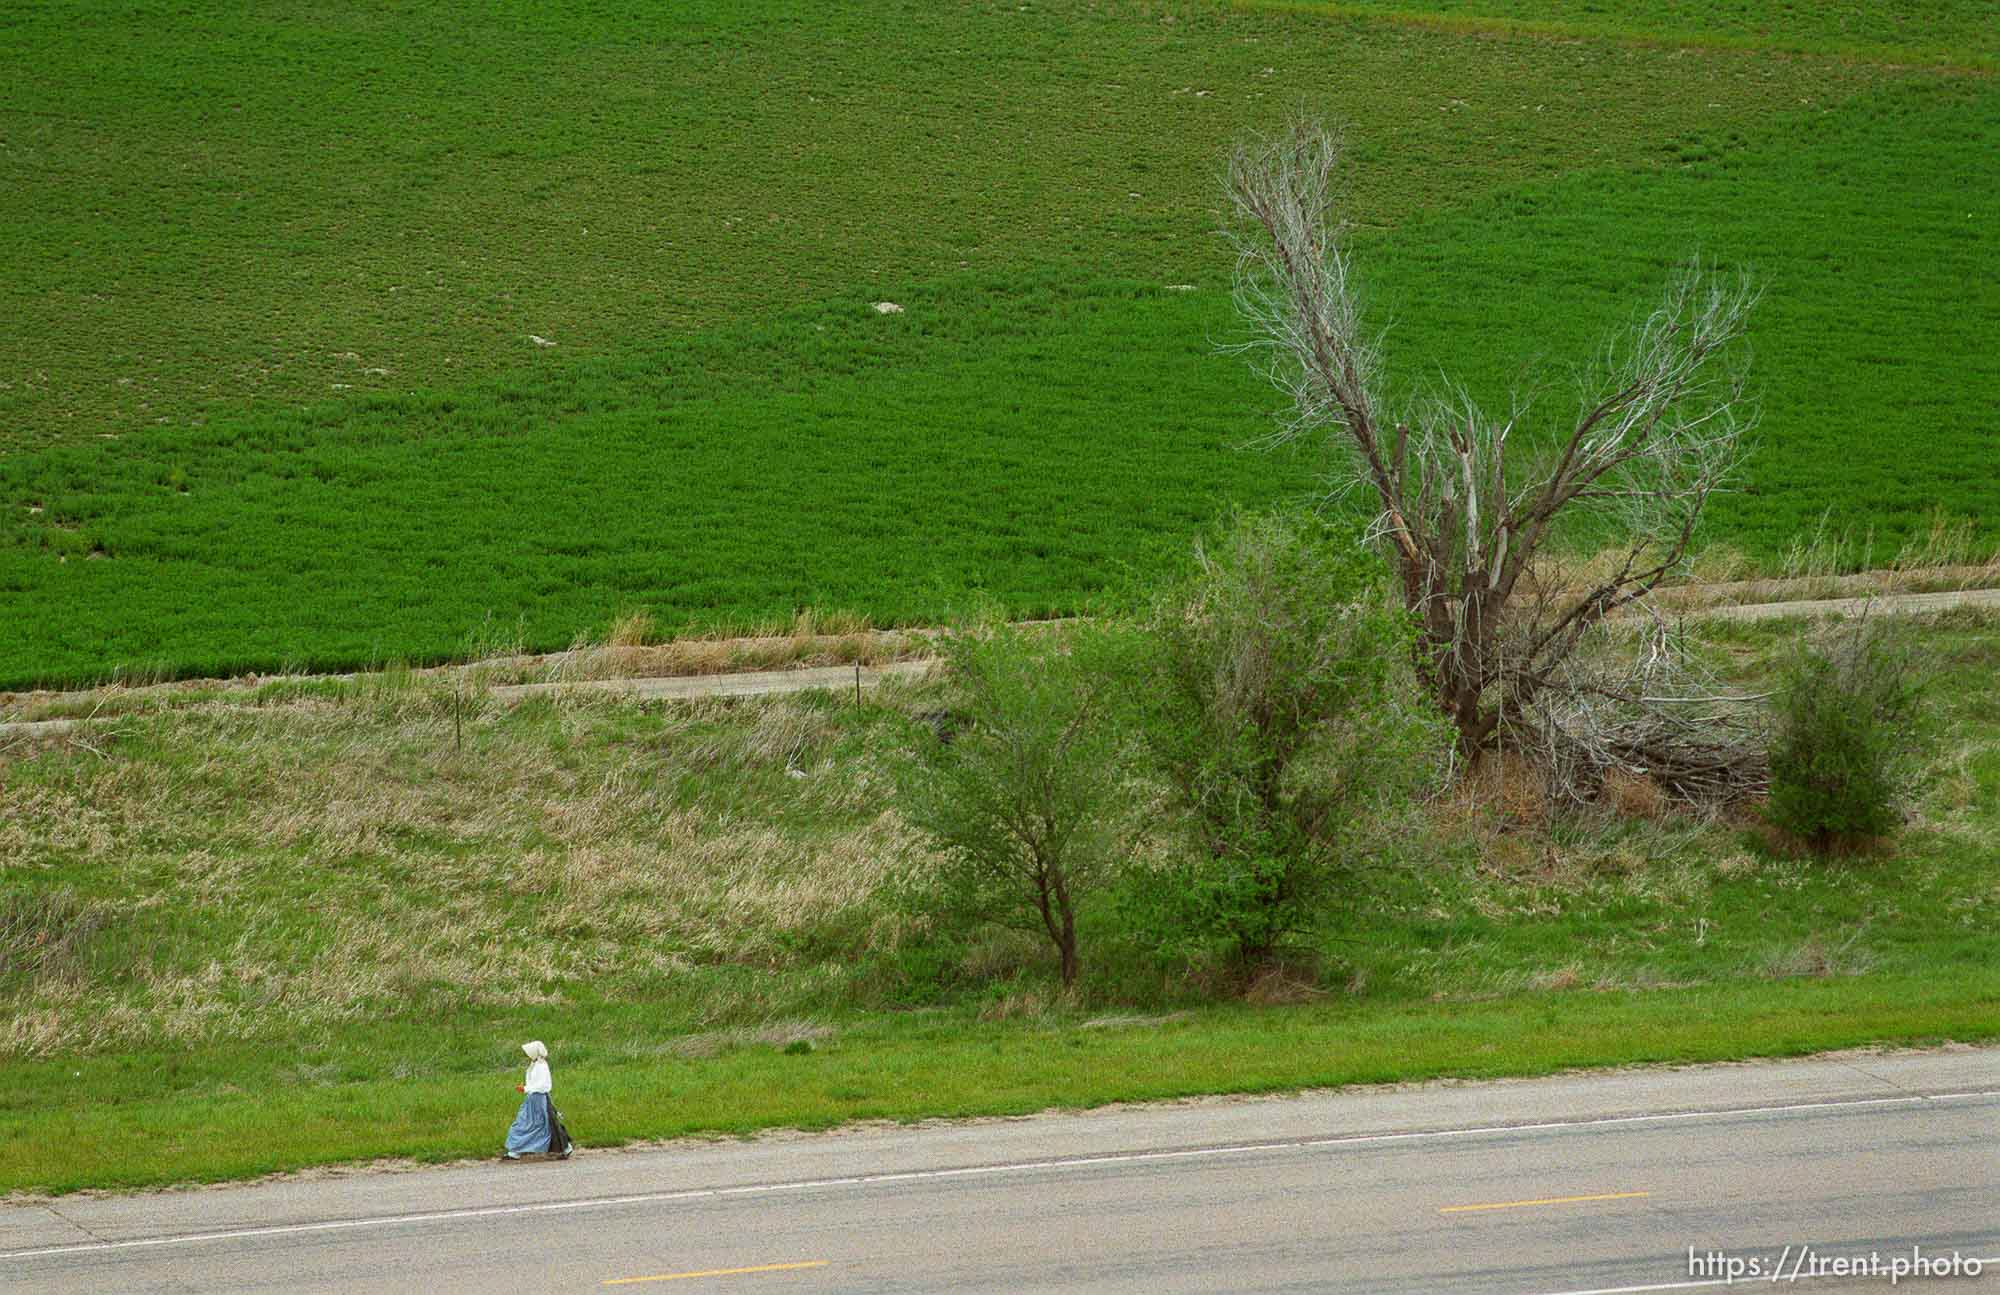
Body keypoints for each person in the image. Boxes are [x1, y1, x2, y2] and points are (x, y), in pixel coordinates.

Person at [502, 1040, 573, 1161]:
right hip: (533, 1099)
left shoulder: (541, 1066)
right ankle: (515, 1151)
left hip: (538, 1100)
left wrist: (525, 1088)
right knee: (529, 1123)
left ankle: (565, 1148)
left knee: (535, 1124)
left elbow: (543, 1085)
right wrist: (527, 1088)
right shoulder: (536, 1064)